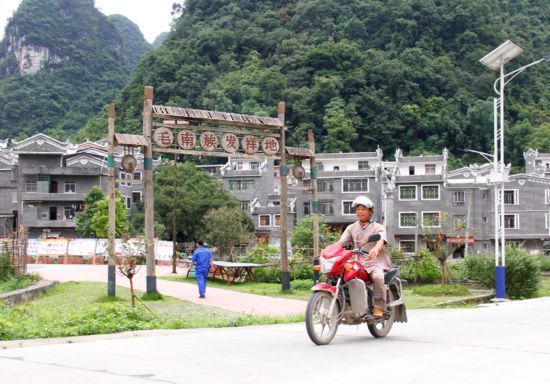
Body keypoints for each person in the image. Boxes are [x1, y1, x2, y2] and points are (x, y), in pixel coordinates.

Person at [336, 195, 390, 317]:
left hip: (375, 263)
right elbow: (341, 242)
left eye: (364, 209)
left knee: (378, 277)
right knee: (338, 274)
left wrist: (376, 249)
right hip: (358, 263)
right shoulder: (351, 228)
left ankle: (379, 307)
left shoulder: (377, 227)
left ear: (370, 212)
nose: (360, 212)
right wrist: (330, 250)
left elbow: (381, 240)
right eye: (358, 209)